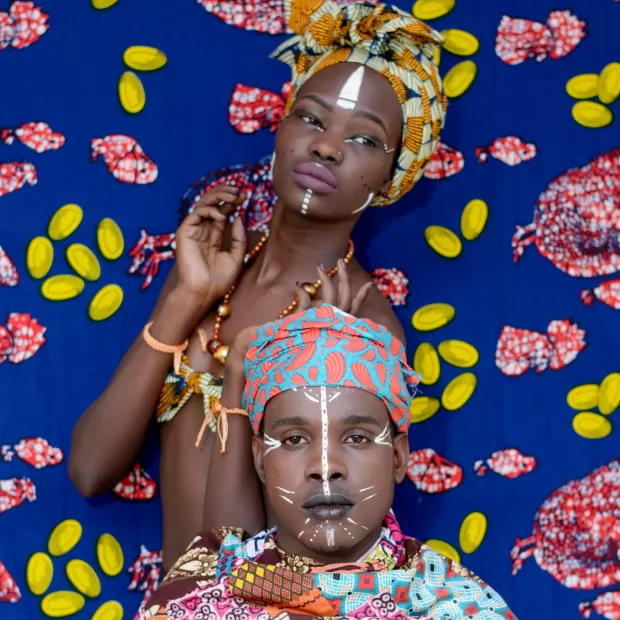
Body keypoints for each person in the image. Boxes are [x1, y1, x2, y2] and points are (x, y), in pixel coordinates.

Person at [68, 0, 446, 570]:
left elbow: (250, 562)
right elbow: (90, 468)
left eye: (365, 140)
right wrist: (186, 300)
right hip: (167, 606)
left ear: (394, 178)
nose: (326, 146)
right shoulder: (214, 268)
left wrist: (289, 363)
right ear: (282, 126)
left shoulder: (361, 327)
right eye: (312, 118)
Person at [135, 297, 516, 620]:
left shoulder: (458, 605)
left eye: (357, 437)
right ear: (260, 460)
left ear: (399, 457)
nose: (325, 467)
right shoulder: (199, 589)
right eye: (294, 439)